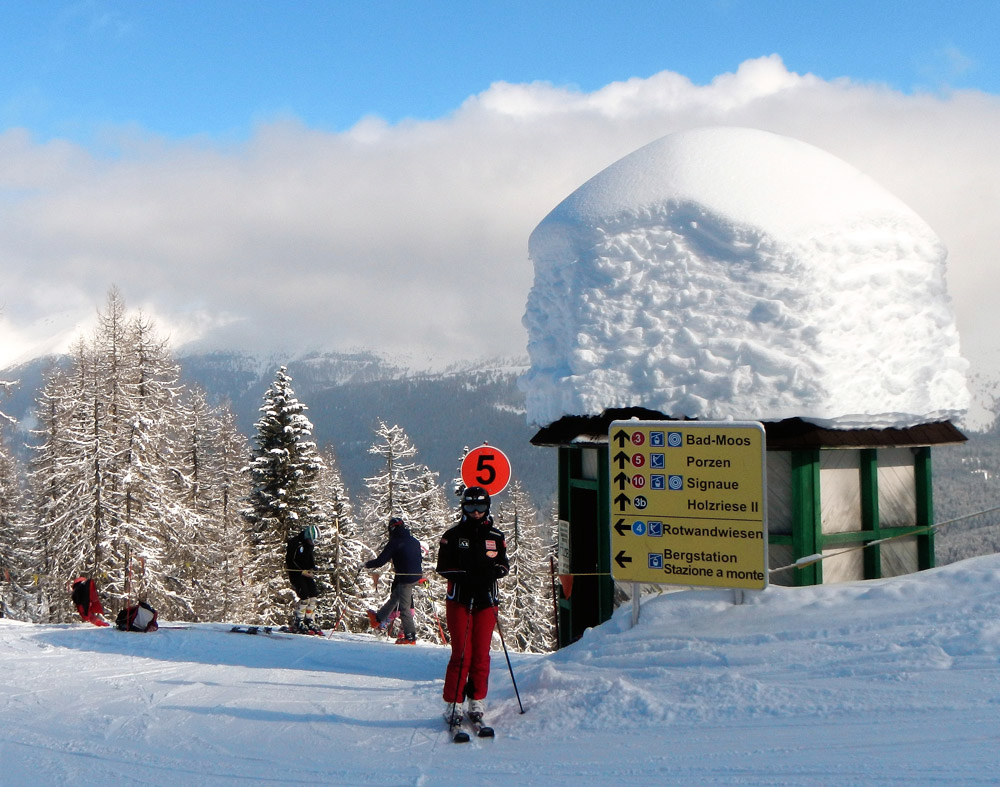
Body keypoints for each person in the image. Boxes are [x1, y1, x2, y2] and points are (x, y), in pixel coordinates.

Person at [436, 486, 509, 724]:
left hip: (487, 601)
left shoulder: (496, 537)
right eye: (470, 507)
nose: (476, 512)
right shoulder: (453, 536)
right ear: (463, 508)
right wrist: (468, 577)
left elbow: (503, 565)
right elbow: (443, 567)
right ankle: (454, 703)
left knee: (481, 654)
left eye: (480, 507)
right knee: (462, 654)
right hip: (460, 600)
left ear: (487, 508)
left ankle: (476, 700)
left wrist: (493, 573)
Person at [364, 516, 423, 644]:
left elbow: (381, 560)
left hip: (405, 578)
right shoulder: (414, 541)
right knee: (395, 597)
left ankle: (410, 636)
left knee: (404, 608)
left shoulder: (395, 542)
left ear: (391, 529)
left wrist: (366, 564)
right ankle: (378, 618)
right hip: (416, 576)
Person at [285, 525, 322, 634]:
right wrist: (301, 571)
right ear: (307, 536)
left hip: (306, 573)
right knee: (305, 596)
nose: (312, 542)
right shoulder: (296, 543)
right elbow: (290, 560)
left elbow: (309, 557)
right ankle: (299, 621)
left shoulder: (308, 545)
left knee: (313, 595)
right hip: (296, 574)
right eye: (311, 539)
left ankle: (309, 619)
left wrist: (312, 567)